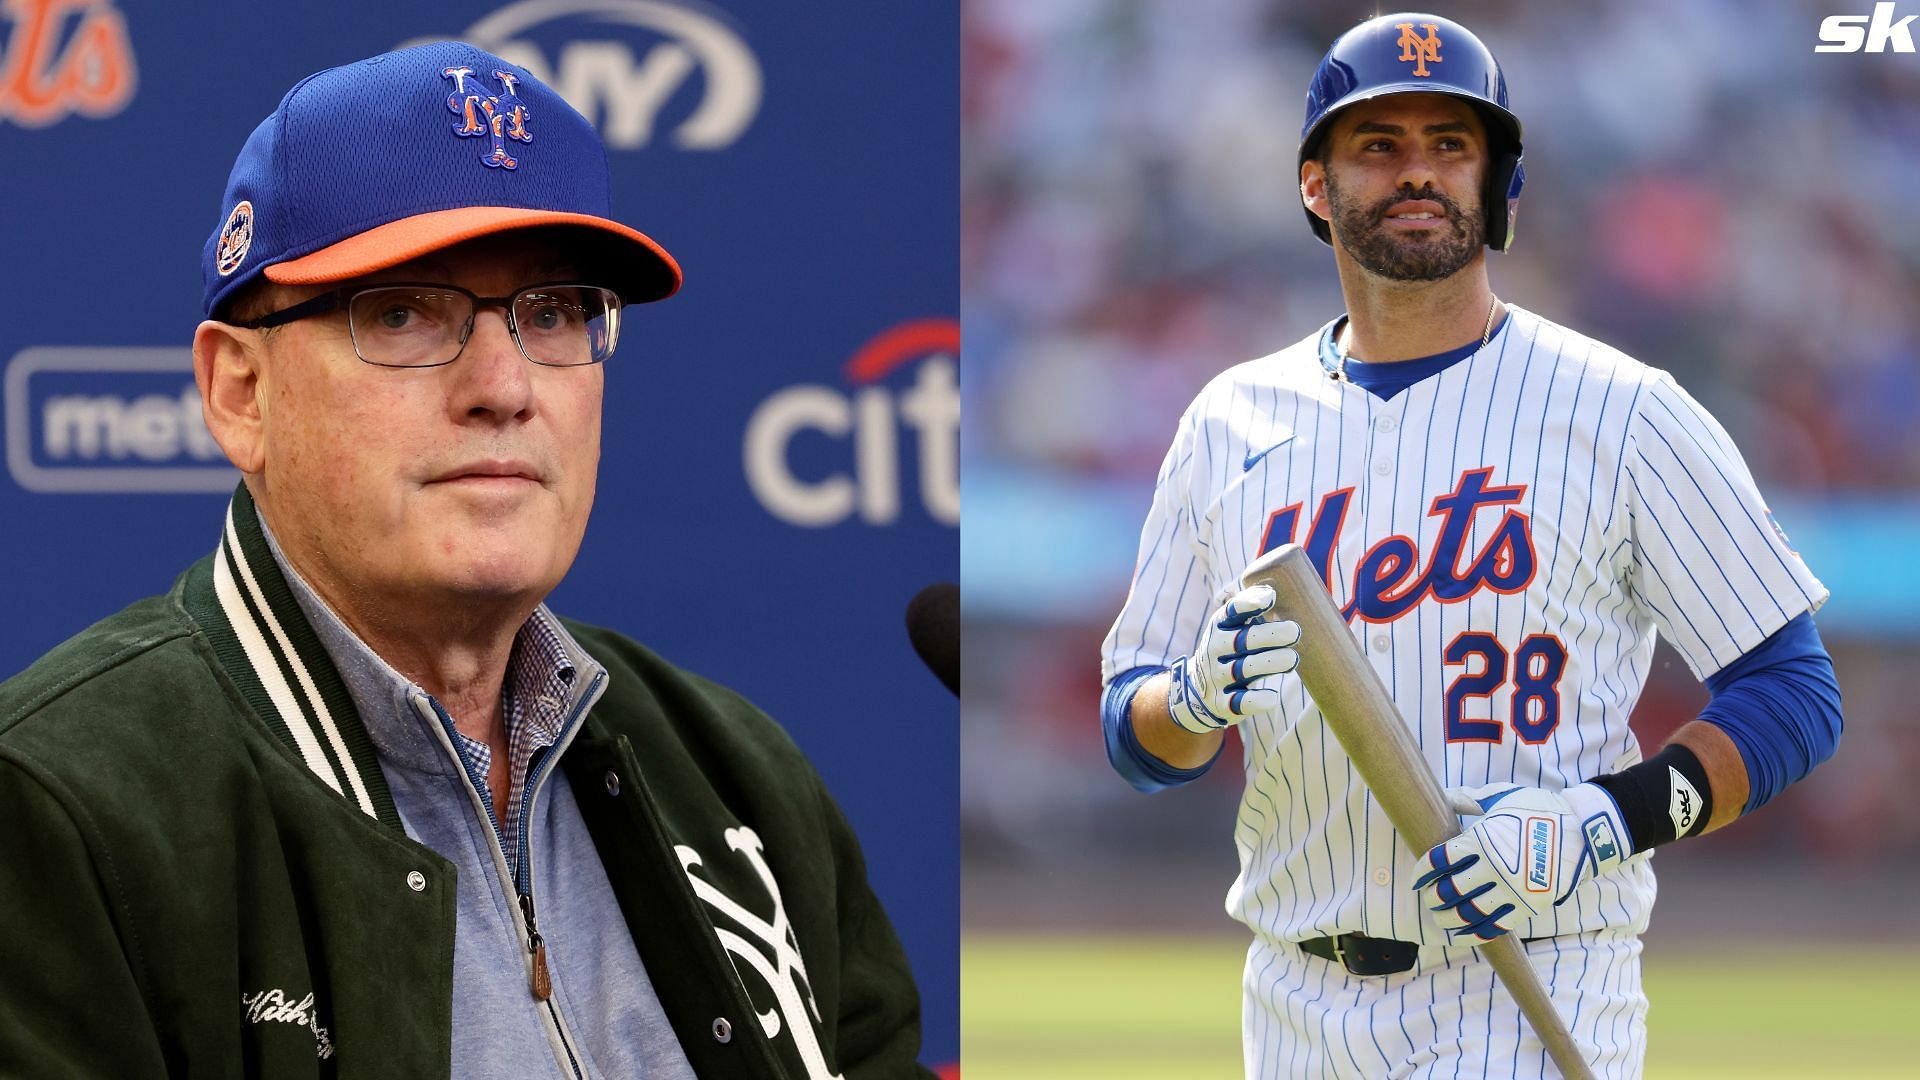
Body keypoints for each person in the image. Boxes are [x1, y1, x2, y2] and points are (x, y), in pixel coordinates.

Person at [0, 42, 930, 1080]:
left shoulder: (740, 780)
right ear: (240, 394)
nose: (503, 384)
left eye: (554, 313)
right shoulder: (56, 806)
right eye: (404, 311)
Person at [1099, 13, 1842, 1078]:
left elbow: (1794, 696)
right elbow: (1137, 742)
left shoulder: (1624, 411)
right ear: (1316, 186)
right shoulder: (1229, 420)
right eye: (1378, 147)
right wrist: (1196, 699)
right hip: (1292, 1002)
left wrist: (1600, 822)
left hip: (1531, 989)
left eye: (1451, 145)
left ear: (1500, 184)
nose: (1418, 174)